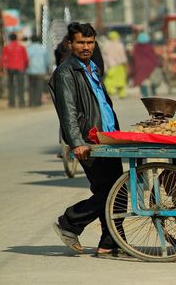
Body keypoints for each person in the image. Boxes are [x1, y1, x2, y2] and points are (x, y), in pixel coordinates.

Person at [48, 22, 125, 258]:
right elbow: (67, 111)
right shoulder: (65, 72)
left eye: (90, 43)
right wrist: (76, 142)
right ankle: (69, 222)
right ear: (70, 44)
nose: (86, 47)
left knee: (117, 191)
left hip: (107, 138)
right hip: (88, 141)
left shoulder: (91, 67)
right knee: (110, 193)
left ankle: (110, 243)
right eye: (80, 42)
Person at [0, 33, 29, 107]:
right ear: (16, 38)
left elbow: (3, 58)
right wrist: (25, 66)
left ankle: (12, 103)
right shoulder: (22, 47)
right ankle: (21, 103)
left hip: (10, 68)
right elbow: (26, 59)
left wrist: (2, 67)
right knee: (20, 85)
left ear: (10, 38)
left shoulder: (6, 47)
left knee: (11, 85)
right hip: (20, 68)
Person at [131, 32, 162, 97]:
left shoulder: (136, 47)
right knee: (153, 79)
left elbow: (134, 57)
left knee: (142, 80)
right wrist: (157, 63)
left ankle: (145, 94)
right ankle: (154, 92)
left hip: (139, 66)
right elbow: (153, 56)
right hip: (150, 65)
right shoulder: (149, 47)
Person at [101, 31, 128, 99]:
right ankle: (122, 94)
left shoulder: (106, 45)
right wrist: (125, 63)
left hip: (111, 66)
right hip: (120, 65)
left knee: (109, 80)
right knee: (121, 81)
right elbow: (123, 56)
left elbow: (104, 56)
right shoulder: (119, 45)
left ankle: (111, 91)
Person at [26, 35, 49, 107]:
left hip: (30, 70)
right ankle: (38, 102)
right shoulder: (43, 49)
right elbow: (46, 61)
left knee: (31, 86)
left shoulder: (28, 49)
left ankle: (31, 102)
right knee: (39, 87)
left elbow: (26, 59)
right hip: (40, 71)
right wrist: (46, 69)